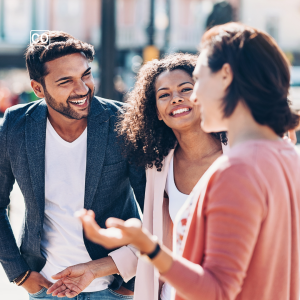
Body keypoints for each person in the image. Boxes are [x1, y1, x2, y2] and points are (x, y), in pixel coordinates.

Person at [77, 23, 300, 300]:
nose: (191, 97)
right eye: (165, 94)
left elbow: (216, 290)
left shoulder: (238, 169)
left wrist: (149, 247)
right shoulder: (284, 154)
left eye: (198, 79)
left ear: (226, 77)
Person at [48, 53, 227, 300]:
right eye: (164, 95)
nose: (176, 98)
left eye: (186, 89)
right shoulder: (159, 167)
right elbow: (158, 242)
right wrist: (93, 270)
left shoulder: (243, 156)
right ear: (157, 113)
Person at [0, 31, 145, 300]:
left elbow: (154, 208)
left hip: (114, 287)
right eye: (66, 81)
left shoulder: (123, 122)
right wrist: (19, 273)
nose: (82, 89)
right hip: (46, 288)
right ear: (38, 88)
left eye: (86, 75)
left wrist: (126, 279)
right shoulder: (15, 126)